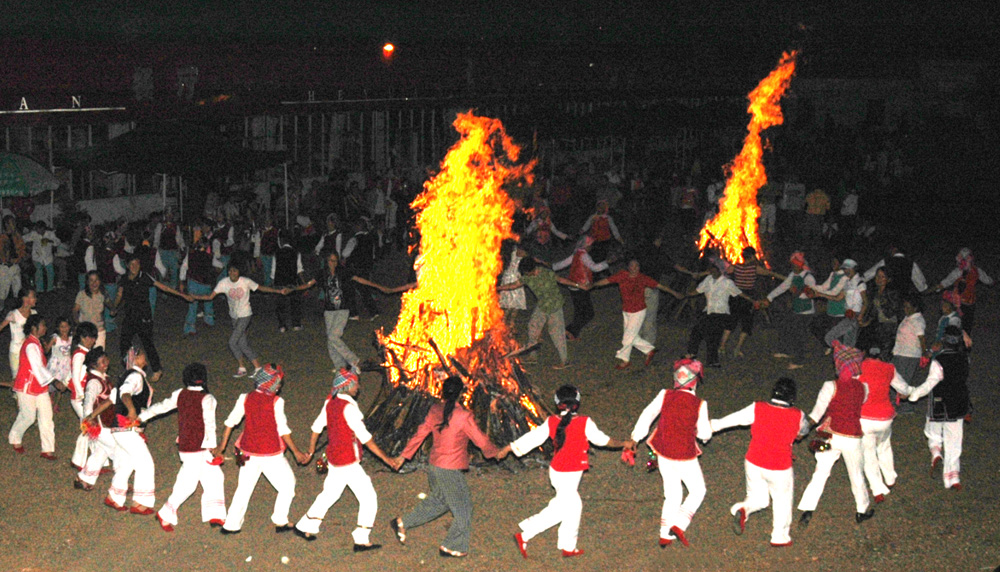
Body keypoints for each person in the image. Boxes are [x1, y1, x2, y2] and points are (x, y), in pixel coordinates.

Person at [499, 384, 633, 558]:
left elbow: (533, 438)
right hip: (568, 474)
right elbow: (603, 441)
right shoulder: (585, 422)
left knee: (563, 508)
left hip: (557, 471)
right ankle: (551, 542)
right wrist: (624, 443)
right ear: (577, 402)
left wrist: (511, 447)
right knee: (572, 507)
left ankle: (543, 539)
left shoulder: (552, 421)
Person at [390, 375, 501, 558]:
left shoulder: (435, 410)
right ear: (461, 394)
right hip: (449, 470)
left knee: (440, 501)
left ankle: (402, 522)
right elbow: (480, 440)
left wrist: (403, 456)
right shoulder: (463, 416)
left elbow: (420, 434)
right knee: (464, 509)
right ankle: (452, 546)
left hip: (434, 467)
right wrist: (495, 452)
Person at [294, 369, 395, 551]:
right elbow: (366, 439)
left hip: (334, 457)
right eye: (356, 383)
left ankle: (305, 525)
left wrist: (310, 451)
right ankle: (361, 538)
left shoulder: (330, 402)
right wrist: (387, 460)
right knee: (368, 496)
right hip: (348, 460)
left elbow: (317, 428)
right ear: (347, 386)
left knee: (330, 493)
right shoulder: (349, 409)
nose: (359, 387)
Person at [710, 378, 809, 547]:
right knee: (782, 501)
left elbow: (733, 419)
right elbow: (803, 431)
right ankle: (780, 536)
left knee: (759, 498)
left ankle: (743, 509)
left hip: (754, 461)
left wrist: (712, 426)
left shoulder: (757, 407)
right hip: (780, 466)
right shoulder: (798, 415)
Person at [215, 364, 311, 535]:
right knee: (288, 484)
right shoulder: (276, 402)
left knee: (244, 488)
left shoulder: (245, 398)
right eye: (278, 383)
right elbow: (283, 430)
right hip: (270, 452)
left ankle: (231, 524)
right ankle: (280, 519)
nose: (280, 386)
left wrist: (221, 448)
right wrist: (296, 452)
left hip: (247, 451)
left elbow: (230, 422)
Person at [630, 359, 712, 547]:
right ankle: (679, 524)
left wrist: (636, 437)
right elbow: (705, 433)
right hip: (684, 453)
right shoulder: (700, 404)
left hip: (663, 449)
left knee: (672, 493)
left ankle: (664, 533)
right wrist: (703, 435)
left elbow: (647, 414)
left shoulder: (664, 394)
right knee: (698, 490)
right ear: (696, 380)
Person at [138, 362, 227, 532]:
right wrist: (213, 447)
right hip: (200, 446)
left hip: (187, 445)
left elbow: (161, 407)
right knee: (188, 483)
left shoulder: (180, 394)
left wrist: (142, 417)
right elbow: (209, 424)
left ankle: (215, 513)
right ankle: (166, 512)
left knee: (214, 476)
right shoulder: (208, 399)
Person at [796, 341, 874, 527]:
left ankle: (807, 510)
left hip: (829, 436)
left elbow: (816, 414)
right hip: (852, 438)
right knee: (856, 475)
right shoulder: (864, 388)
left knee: (820, 473)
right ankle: (861, 511)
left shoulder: (830, 386)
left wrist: (802, 431)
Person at [189, 259, 289, 377]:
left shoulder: (245, 281)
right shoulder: (224, 282)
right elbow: (210, 297)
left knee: (232, 342)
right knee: (242, 343)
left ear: (239, 272)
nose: (232, 273)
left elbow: (261, 288)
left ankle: (249, 367)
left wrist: (278, 291)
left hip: (245, 314)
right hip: (234, 316)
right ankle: (252, 368)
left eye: (234, 271)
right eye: (230, 271)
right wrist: (195, 296)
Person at [296, 250, 391, 371]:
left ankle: (354, 360)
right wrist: (294, 289)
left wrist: (379, 286)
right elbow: (309, 284)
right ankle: (340, 366)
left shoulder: (343, 271)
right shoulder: (322, 273)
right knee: (330, 340)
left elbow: (359, 279)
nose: (333, 263)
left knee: (333, 336)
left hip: (343, 309)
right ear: (327, 261)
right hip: (329, 310)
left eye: (335, 261)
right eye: (331, 260)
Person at [94, 345, 157, 513]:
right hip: (127, 428)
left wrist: (92, 416)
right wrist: (131, 409)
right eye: (142, 355)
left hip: (119, 429)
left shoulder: (126, 376)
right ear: (135, 358)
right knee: (145, 463)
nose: (145, 357)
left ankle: (114, 497)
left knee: (128, 463)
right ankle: (140, 503)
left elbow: (110, 400)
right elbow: (125, 393)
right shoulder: (135, 377)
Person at [905, 326, 969, 490]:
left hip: (941, 402)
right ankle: (953, 477)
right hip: (959, 403)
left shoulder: (939, 360)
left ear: (944, 342)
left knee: (932, 430)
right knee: (955, 440)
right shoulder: (965, 358)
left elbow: (930, 383)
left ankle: (936, 452)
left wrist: (913, 394)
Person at [591, 258, 683, 369]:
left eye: (636, 267)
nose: (634, 269)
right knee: (632, 336)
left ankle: (625, 360)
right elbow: (607, 281)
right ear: (628, 267)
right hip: (626, 310)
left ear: (639, 268)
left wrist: (673, 292)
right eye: (632, 266)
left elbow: (659, 286)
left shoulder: (643, 278)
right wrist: (593, 285)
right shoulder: (622, 275)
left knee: (627, 338)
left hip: (638, 310)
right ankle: (649, 350)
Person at [113, 253, 188, 381]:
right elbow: (120, 294)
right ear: (127, 266)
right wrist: (114, 307)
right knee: (124, 344)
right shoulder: (124, 279)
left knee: (148, 344)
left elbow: (163, 287)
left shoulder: (144, 276)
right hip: (129, 316)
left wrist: (182, 295)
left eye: (136, 264)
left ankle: (157, 369)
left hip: (143, 317)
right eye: (132, 264)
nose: (134, 267)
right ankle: (130, 369)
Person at [498, 256, 581, 369]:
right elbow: (514, 285)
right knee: (533, 327)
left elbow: (561, 280)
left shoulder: (546, 273)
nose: (525, 274)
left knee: (556, 334)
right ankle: (533, 355)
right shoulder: (527, 277)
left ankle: (565, 361)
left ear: (531, 270)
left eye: (526, 272)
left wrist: (577, 285)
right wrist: (498, 288)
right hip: (542, 306)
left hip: (554, 307)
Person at [857, 350, 913, 503]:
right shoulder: (889, 368)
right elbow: (903, 388)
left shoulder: (858, 367)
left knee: (868, 453)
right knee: (884, 446)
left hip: (864, 417)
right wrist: (908, 393)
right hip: (885, 417)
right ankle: (890, 477)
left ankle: (877, 489)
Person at [683, 261, 754, 367]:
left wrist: (752, 300)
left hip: (721, 313)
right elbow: (698, 290)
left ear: (721, 271)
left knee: (713, 336)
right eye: (711, 270)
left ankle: (713, 361)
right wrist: (687, 294)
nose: (713, 272)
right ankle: (692, 354)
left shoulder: (727, 282)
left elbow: (738, 293)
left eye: (715, 270)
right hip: (708, 311)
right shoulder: (708, 280)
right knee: (697, 331)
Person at [8, 315, 57, 459]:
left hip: (39, 386)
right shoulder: (30, 345)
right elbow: (37, 368)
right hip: (27, 386)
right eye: (43, 325)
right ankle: (15, 437)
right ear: (34, 328)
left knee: (47, 416)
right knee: (28, 417)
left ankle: (47, 449)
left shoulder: (36, 342)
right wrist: (53, 381)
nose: (45, 328)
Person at [762, 251, 817, 370]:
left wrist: (797, 293)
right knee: (786, 326)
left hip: (806, 312)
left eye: (794, 265)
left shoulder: (808, 277)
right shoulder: (793, 275)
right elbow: (783, 287)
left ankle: (799, 360)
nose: (792, 267)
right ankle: (785, 350)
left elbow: (812, 294)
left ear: (799, 265)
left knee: (799, 334)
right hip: (796, 309)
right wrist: (769, 297)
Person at [76, 347, 116, 490]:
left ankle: (84, 478)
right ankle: (120, 483)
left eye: (106, 360)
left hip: (104, 422)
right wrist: (89, 419)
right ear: (94, 365)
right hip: (99, 424)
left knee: (101, 450)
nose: (106, 363)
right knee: (118, 448)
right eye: (102, 362)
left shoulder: (102, 378)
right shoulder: (95, 382)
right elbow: (88, 401)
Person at [552, 236, 608, 341]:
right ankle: (569, 331)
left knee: (580, 312)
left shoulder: (576, 253)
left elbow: (561, 264)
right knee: (588, 313)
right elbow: (595, 268)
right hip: (581, 287)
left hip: (573, 286)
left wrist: (551, 267)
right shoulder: (584, 255)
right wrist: (607, 262)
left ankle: (572, 333)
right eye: (591, 245)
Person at [721, 246, 770, 358]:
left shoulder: (736, 266)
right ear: (752, 256)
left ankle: (722, 346)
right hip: (748, 297)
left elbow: (727, 271)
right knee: (746, 323)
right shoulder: (755, 268)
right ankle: (737, 348)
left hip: (735, 296)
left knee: (731, 321)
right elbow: (767, 273)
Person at [932, 248, 993, 334]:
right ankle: (963, 342)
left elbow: (945, 283)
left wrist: (933, 289)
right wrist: (992, 282)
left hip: (960, 302)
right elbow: (988, 281)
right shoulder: (975, 271)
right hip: (965, 302)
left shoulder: (960, 272)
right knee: (964, 325)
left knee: (957, 324)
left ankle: (955, 341)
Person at [811, 258, 868, 349]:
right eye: (845, 269)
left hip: (855, 315)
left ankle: (843, 356)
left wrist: (860, 316)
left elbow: (865, 302)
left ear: (854, 268)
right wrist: (821, 295)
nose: (846, 271)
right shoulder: (847, 283)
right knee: (845, 344)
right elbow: (837, 298)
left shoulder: (860, 283)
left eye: (848, 268)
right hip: (848, 315)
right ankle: (843, 356)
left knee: (839, 341)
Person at [68, 322, 98, 471]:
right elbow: (74, 376)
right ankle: (78, 460)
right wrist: (82, 395)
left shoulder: (84, 353)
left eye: (93, 337)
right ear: (82, 337)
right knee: (88, 427)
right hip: (80, 397)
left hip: (84, 396)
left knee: (91, 427)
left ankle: (96, 461)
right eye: (90, 337)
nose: (92, 340)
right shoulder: (80, 354)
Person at [179, 237, 217, 336]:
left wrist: (182, 281)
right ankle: (209, 320)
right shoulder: (210, 257)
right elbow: (219, 265)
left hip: (194, 282)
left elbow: (184, 267)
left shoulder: (190, 255)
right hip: (205, 283)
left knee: (192, 305)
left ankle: (190, 327)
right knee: (208, 301)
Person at [271, 230, 305, 332]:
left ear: (280, 240)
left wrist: (273, 283)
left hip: (280, 282)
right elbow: (299, 270)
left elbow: (273, 271)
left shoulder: (276, 253)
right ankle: (296, 324)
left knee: (281, 305)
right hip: (292, 282)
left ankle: (282, 326)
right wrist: (304, 283)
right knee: (295, 303)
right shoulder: (296, 253)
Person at [862, 244, 927, 295]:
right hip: (903, 296)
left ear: (894, 249)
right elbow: (921, 285)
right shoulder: (911, 263)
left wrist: (859, 280)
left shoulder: (886, 261)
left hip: (887, 295)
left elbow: (868, 275)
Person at [3, 288, 38, 377]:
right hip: (16, 350)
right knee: (17, 377)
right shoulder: (14, 314)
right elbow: (1, 326)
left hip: (30, 350)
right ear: (25, 299)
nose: (36, 299)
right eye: (33, 297)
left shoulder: (34, 313)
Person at [73, 271, 109, 349]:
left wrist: (113, 308)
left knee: (98, 355)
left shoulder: (103, 294)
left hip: (99, 330)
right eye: (91, 280)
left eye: (96, 280)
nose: (94, 283)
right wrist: (77, 323)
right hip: (85, 331)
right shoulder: (81, 294)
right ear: (87, 282)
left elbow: (110, 304)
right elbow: (75, 310)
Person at [23, 221, 60, 293]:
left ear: (43, 228)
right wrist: (26, 247)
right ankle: (40, 289)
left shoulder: (50, 234)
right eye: (36, 229)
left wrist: (49, 241)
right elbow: (23, 238)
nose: (37, 231)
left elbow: (57, 242)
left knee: (50, 272)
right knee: (38, 271)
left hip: (47, 257)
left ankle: (50, 288)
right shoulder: (34, 234)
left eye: (38, 229)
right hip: (37, 257)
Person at [153, 210, 185, 288]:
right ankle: (164, 290)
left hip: (173, 252)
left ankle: (173, 288)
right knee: (163, 271)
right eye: (168, 214)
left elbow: (179, 239)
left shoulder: (175, 226)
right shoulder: (160, 225)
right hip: (162, 252)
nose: (169, 216)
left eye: (171, 214)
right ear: (165, 215)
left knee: (174, 271)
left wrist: (182, 247)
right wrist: (154, 249)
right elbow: (156, 238)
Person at [0, 215, 27, 304]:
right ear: (7, 224)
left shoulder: (17, 236)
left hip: (15, 265)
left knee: (17, 287)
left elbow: (22, 249)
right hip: (4, 267)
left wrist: (20, 258)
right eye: (12, 222)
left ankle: (17, 306)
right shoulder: (2, 237)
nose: (14, 224)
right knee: (3, 289)